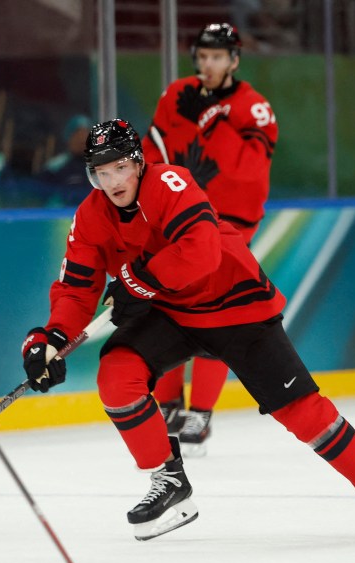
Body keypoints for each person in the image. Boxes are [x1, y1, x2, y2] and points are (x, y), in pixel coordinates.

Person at [20, 118, 355, 542]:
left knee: (302, 413)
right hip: (170, 311)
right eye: (101, 173)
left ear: (139, 163)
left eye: (120, 168)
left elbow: (202, 251)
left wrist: (138, 281)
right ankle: (169, 482)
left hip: (235, 304)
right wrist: (51, 338)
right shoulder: (91, 216)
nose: (112, 181)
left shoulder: (171, 183)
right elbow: (75, 287)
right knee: (117, 375)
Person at [142, 22, 278, 456]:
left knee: (215, 311)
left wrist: (213, 126)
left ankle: (200, 412)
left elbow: (251, 171)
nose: (207, 65)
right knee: (165, 307)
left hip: (229, 224)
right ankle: (168, 406)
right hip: (178, 217)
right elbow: (152, 148)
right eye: (202, 57)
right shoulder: (177, 94)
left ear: (234, 60)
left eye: (217, 57)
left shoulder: (254, 108)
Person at [37, 114, 92, 207]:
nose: (82, 138)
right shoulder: (54, 167)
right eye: (77, 134)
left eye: (86, 134)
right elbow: (41, 198)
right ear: (68, 138)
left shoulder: (102, 165)